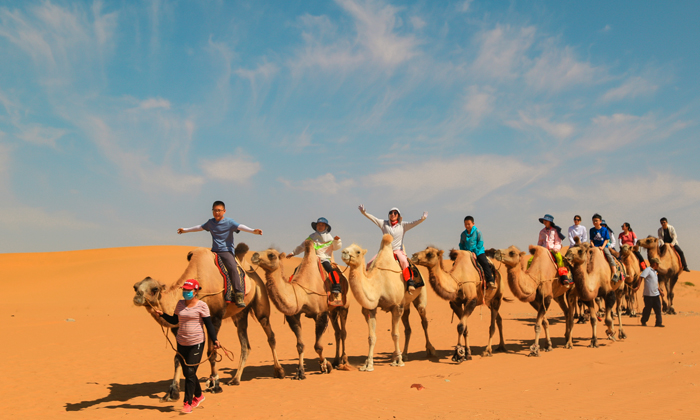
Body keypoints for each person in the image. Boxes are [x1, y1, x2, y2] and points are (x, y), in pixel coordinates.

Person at [178, 200, 263, 307]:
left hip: (226, 252)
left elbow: (240, 226)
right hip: (213, 251)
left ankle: (238, 294)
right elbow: (199, 227)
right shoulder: (210, 223)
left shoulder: (229, 222)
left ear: (224, 211)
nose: (216, 213)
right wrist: (185, 230)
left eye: (219, 210)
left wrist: (253, 231)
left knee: (232, 268)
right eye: (214, 210)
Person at [154, 279, 220, 413]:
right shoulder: (180, 304)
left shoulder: (202, 306)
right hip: (182, 342)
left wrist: (215, 340)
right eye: (184, 290)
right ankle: (199, 395)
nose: (186, 292)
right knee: (187, 372)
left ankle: (187, 403)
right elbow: (174, 320)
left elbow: (209, 325)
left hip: (196, 343)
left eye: (189, 290)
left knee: (190, 372)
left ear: (195, 291)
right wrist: (163, 315)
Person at [359, 205, 427, 292]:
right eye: (391, 212)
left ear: (398, 215)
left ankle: (410, 282)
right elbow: (373, 219)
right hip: (385, 250)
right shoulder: (384, 223)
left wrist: (422, 219)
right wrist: (364, 213)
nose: (393, 214)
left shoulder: (403, 225)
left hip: (397, 250)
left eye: (395, 213)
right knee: (369, 264)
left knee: (404, 261)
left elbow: (413, 223)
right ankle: (366, 283)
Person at [287, 217, 343, 306]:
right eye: (319, 225)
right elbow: (302, 246)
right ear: (316, 226)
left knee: (330, 270)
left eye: (322, 225)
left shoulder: (330, 238)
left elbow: (336, 247)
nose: (320, 226)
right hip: (311, 259)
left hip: (323, 259)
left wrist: (337, 241)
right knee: (297, 269)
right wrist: (293, 253)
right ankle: (290, 287)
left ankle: (336, 287)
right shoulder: (312, 237)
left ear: (326, 227)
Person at [459, 216, 495, 288]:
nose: (467, 226)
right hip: (467, 254)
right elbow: (461, 245)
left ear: (473, 223)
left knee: (484, 263)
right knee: (456, 264)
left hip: (478, 252)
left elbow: (480, 243)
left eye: (469, 224)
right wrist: (465, 252)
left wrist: (475, 252)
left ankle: (490, 281)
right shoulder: (463, 234)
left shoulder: (478, 232)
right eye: (465, 224)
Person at [536, 214, 570, 285]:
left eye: (546, 220)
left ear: (550, 222)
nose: (545, 222)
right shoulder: (542, 232)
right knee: (531, 260)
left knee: (559, 258)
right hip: (544, 251)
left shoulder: (555, 231)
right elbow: (540, 243)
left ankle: (563, 277)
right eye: (544, 220)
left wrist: (556, 248)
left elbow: (558, 242)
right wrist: (538, 250)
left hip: (553, 250)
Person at [589, 213, 619, 282]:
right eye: (593, 221)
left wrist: (602, 247)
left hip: (603, 246)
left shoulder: (605, 229)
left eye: (596, 221)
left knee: (609, 256)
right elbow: (591, 240)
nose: (595, 222)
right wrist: (593, 246)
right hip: (594, 247)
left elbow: (607, 239)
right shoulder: (591, 230)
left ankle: (615, 273)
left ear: (600, 221)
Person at [639, 258, 664, 327]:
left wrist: (660, 291)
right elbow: (641, 277)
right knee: (647, 309)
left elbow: (655, 283)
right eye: (658, 264)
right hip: (648, 295)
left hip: (656, 294)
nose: (658, 265)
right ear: (655, 264)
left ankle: (658, 323)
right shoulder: (648, 270)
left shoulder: (655, 272)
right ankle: (643, 321)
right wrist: (638, 287)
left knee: (658, 309)